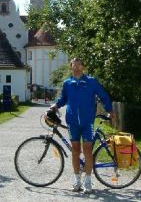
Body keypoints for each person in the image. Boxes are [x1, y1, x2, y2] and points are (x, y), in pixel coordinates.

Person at [49, 57, 115, 193]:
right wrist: (55, 106)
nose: (77, 68)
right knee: (75, 151)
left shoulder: (91, 82)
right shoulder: (68, 83)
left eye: (79, 65)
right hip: (72, 122)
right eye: (74, 65)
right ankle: (77, 180)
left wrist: (109, 109)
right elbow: (63, 99)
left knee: (87, 150)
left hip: (87, 122)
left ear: (83, 67)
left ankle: (88, 181)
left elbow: (103, 95)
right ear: (71, 67)